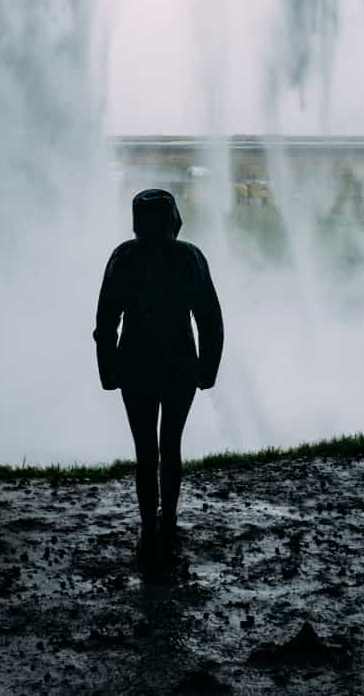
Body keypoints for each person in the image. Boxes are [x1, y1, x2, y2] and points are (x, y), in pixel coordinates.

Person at [94, 188, 224, 581]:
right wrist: (207, 368)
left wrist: (108, 369)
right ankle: (167, 520)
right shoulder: (190, 258)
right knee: (171, 445)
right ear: (174, 221)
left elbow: (106, 322)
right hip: (181, 366)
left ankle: (149, 525)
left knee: (146, 451)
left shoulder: (124, 257)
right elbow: (210, 320)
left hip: (135, 366)